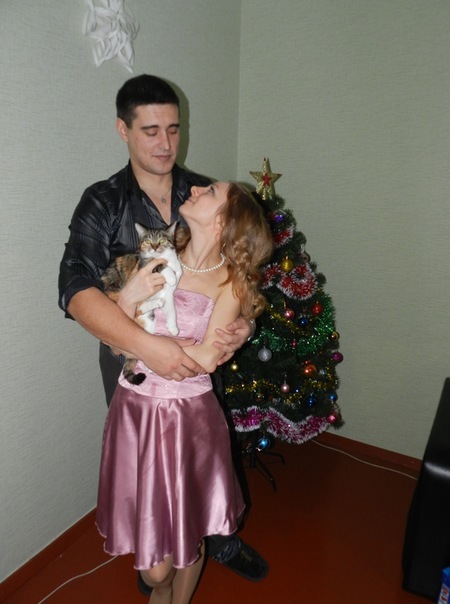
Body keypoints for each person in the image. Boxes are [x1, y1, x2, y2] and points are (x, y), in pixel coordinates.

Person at [58, 74, 268, 594]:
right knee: (147, 467)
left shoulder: (200, 192)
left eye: (173, 129)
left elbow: (239, 276)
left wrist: (245, 326)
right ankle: (156, 549)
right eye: (150, 131)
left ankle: (213, 538)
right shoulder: (102, 203)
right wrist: (149, 346)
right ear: (123, 130)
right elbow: (74, 289)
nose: (166, 143)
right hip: (130, 366)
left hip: (196, 374)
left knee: (199, 465)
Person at [96, 181, 274, 604]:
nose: (194, 187)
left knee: (187, 532)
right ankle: (163, 590)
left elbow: (209, 357)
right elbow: (113, 341)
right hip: (135, 411)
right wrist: (126, 307)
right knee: (155, 570)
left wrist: (143, 345)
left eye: (209, 191)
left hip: (186, 420)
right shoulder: (154, 257)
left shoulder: (230, 282)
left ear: (224, 221)